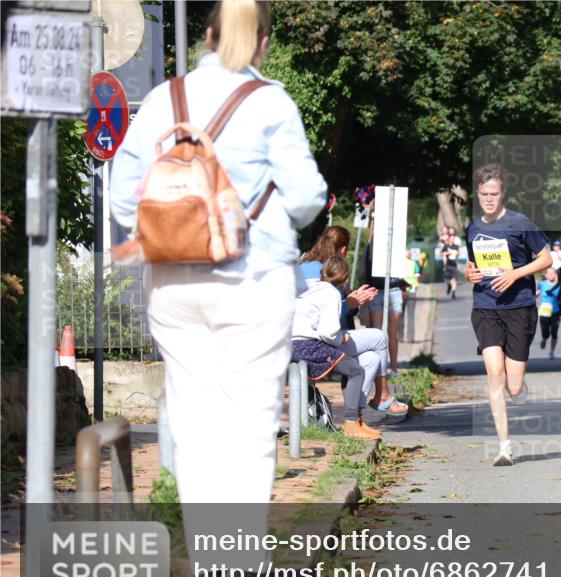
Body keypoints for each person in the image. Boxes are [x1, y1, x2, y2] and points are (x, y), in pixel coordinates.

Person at [110, 0, 327, 506]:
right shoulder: (270, 102)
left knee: (193, 420)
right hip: (250, 279)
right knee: (249, 421)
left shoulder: (165, 99)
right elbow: (305, 196)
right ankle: (240, 569)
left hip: (171, 283)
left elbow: (123, 197)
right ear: (263, 44)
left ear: (206, 38)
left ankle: (211, 564)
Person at [465, 163, 551, 466]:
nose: (489, 199)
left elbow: (546, 258)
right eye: (484, 194)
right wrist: (470, 274)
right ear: (478, 193)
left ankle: (519, 385)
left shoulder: (520, 223)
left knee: (514, 387)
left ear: (503, 194)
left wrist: (515, 274)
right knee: (494, 374)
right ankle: (504, 447)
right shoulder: (473, 228)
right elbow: (471, 266)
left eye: (495, 194)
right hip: (486, 307)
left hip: (520, 307)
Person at [300, 226, 407, 418]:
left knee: (371, 359)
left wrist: (350, 301)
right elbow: (330, 319)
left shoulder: (302, 267)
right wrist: (350, 303)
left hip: (301, 339)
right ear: (343, 250)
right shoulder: (329, 271)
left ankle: (355, 418)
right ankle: (382, 396)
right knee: (379, 337)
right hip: (317, 342)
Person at [291, 257, 381, 440]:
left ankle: (355, 421)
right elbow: (328, 333)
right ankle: (351, 423)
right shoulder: (331, 293)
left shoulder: (308, 286)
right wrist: (342, 337)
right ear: (345, 279)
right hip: (307, 346)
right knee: (355, 371)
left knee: (352, 364)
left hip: (289, 345)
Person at [364, 214, 406, 377]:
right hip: (376, 290)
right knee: (377, 333)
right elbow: (371, 242)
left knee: (392, 333)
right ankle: (378, 370)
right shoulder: (370, 249)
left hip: (393, 290)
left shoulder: (393, 247)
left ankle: (394, 368)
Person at [536, 268, 561, 361]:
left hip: (556, 311)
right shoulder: (542, 284)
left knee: (554, 332)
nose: (551, 275)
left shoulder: (559, 285)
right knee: (545, 330)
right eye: (549, 273)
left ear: (555, 274)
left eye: (552, 273)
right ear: (545, 275)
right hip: (545, 311)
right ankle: (544, 338)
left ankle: (552, 352)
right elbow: (537, 292)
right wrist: (536, 294)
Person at [440, 227, 461, 299]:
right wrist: (446, 253)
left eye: (453, 238)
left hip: (454, 264)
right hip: (447, 264)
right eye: (451, 238)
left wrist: (457, 253)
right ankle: (449, 285)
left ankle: (453, 293)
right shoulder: (446, 246)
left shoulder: (456, 246)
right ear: (449, 239)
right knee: (446, 279)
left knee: (454, 279)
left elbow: (459, 253)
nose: (452, 239)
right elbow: (441, 253)